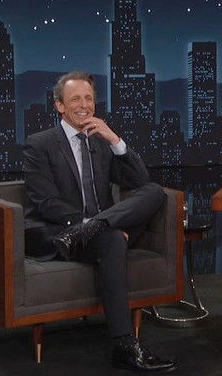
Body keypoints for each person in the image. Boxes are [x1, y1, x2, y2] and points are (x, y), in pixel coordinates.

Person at [23, 71, 176, 373]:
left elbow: (139, 180)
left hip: (97, 229)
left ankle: (99, 226)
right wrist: (87, 224)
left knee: (155, 191)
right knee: (113, 240)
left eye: (89, 98)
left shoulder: (100, 140)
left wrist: (115, 140)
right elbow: (46, 202)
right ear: (60, 106)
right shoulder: (40, 144)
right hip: (60, 232)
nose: (84, 105)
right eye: (75, 99)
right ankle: (125, 345)